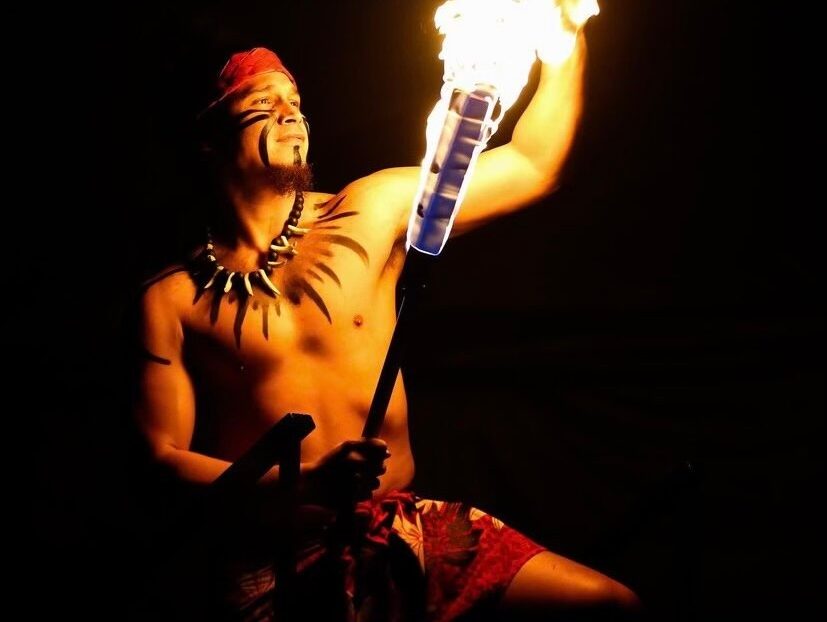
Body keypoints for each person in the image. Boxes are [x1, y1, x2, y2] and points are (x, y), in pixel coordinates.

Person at [131, 3, 642, 620]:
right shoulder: (173, 299)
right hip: (277, 565)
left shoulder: (370, 209)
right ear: (210, 140)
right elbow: (160, 461)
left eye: (295, 102)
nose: (290, 114)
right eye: (263, 104)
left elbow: (532, 165)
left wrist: (565, 40)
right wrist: (305, 482)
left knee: (609, 606)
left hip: (400, 529)